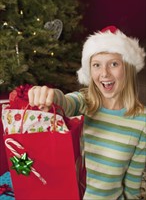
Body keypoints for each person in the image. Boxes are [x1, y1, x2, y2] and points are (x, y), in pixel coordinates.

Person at [28, 26, 146, 200]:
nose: (104, 73)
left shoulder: (142, 121)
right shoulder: (85, 102)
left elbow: (132, 185)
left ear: (127, 68)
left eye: (113, 64)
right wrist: (47, 94)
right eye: (96, 65)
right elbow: (65, 103)